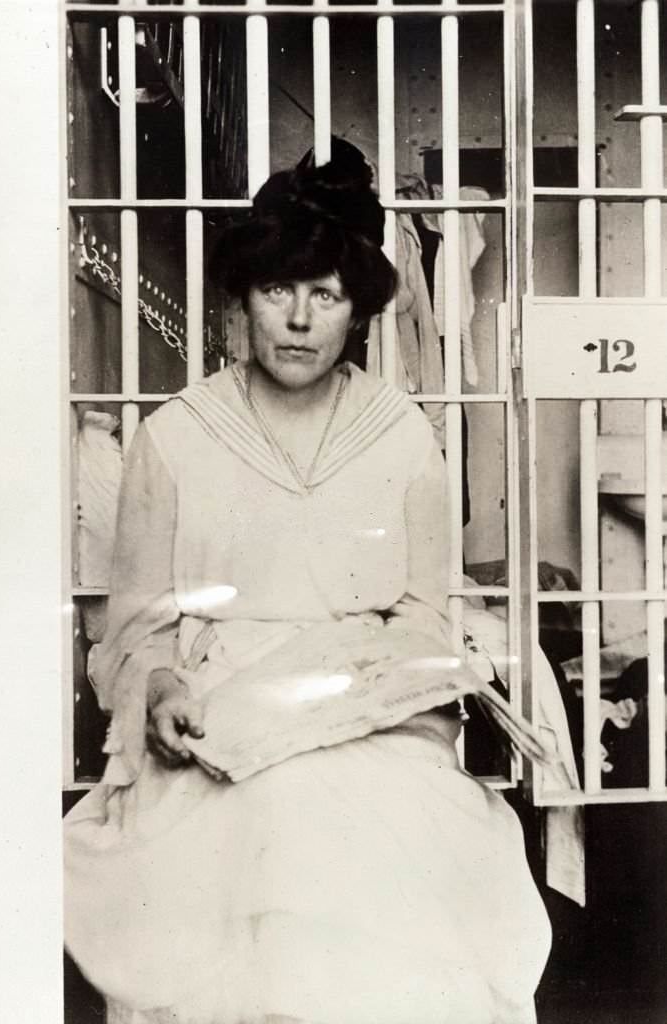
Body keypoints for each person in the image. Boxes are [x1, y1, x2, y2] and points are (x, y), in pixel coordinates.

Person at [64, 143, 551, 1024]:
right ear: (243, 300)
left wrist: (373, 688)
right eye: (277, 291)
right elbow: (130, 631)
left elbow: (425, 616)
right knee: (272, 829)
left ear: (357, 308)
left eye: (323, 294)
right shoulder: (175, 438)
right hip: (219, 720)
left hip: (366, 715)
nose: (298, 320)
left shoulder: (403, 437)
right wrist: (161, 684)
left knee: (397, 855)